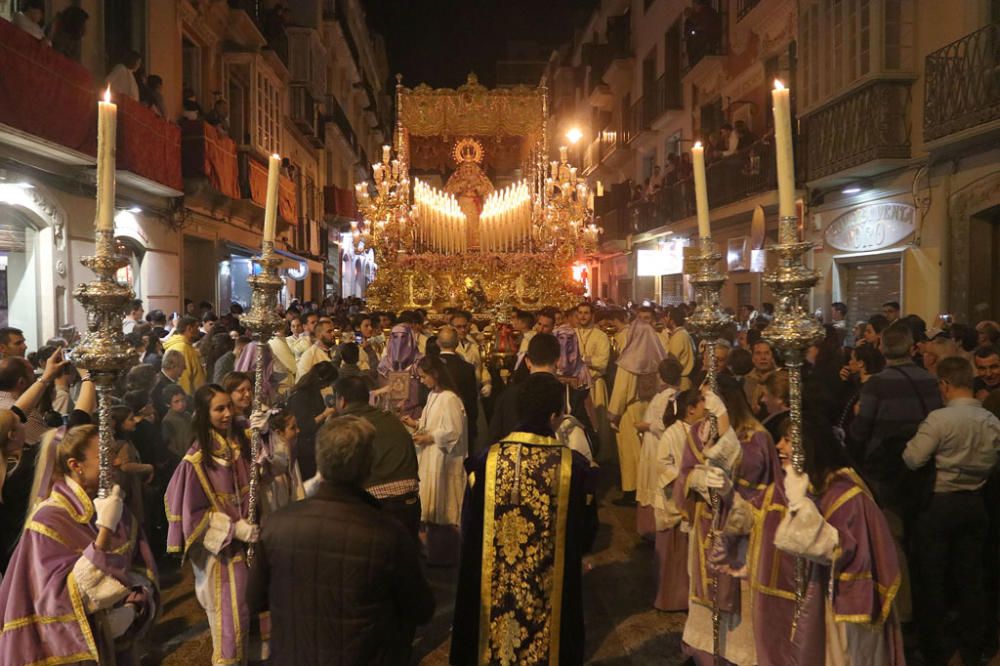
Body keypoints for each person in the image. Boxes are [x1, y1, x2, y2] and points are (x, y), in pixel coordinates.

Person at [247, 414, 434, 665]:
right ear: (369, 466)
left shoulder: (277, 525)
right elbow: (420, 608)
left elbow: (254, 599)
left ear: (319, 460)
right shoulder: (389, 533)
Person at [451, 372, 597, 665]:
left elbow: (469, 528)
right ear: (554, 414)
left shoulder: (485, 461)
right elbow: (585, 532)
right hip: (547, 585)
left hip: (493, 585)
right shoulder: (573, 467)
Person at [0, 425, 158, 665]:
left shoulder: (115, 508)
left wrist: (133, 608)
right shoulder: (49, 520)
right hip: (76, 653)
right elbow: (58, 601)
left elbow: (140, 570)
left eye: (113, 453)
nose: (116, 462)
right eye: (104, 457)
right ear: (76, 465)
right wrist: (105, 530)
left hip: (120, 646)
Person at [769, 413, 906, 665]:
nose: (779, 446)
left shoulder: (846, 493)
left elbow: (837, 548)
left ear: (810, 446)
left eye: (788, 440)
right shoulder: (818, 485)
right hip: (823, 595)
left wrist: (800, 505)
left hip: (848, 606)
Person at [903, 356, 1000, 666]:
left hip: (939, 504)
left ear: (944, 384)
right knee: (971, 578)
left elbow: (913, 459)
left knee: (932, 578)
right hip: (975, 502)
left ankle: (935, 649)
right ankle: (972, 646)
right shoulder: (992, 422)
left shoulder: (939, 420)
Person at [164, 384, 265, 665]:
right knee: (228, 622)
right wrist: (234, 529)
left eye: (228, 407)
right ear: (203, 413)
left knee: (248, 619)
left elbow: (267, 470)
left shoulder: (240, 443)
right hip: (221, 554)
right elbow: (192, 515)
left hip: (249, 546)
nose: (227, 414)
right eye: (219, 409)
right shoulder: (195, 461)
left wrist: (265, 435)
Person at [335, 375, 421, 543]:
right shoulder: (391, 419)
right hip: (410, 501)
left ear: (342, 401)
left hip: (374, 507)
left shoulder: (344, 426)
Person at [401, 355, 467, 566]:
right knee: (431, 510)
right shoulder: (433, 396)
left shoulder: (450, 398)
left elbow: (453, 430)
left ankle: (446, 556)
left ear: (435, 374)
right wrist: (415, 423)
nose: (421, 380)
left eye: (423, 376)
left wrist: (430, 437)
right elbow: (433, 422)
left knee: (444, 508)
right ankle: (434, 553)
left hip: (444, 460)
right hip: (431, 459)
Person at [608, 310, 667, 506]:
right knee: (647, 449)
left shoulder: (628, 362)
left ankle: (631, 489)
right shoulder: (659, 358)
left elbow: (621, 391)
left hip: (630, 411)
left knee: (630, 452)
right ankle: (647, 487)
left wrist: (613, 415)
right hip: (651, 409)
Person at [652, 388, 703, 612]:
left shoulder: (703, 431)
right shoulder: (672, 433)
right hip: (674, 499)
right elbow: (662, 464)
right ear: (691, 410)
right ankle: (670, 599)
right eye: (703, 404)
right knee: (673, 553)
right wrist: (685, 478)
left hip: (694, 498)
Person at [636, 358, 681, 538]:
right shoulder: (667, 395)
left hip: (657, 446)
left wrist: (645, 426)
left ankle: (652, 530)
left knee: (654, 484)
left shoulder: (667, 396)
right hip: (653, 444)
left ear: (661, 377)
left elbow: (663, 424)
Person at [488, 333, 561, 444]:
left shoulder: (507, 396)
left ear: (527, 362)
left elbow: (494, 439)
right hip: (555, 459)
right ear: (558, 361)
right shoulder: (566, 394)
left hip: (511, 458)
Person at [287, 362, 338, 481]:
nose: (327, 386)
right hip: (305, 450)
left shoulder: (313, 391)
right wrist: (325, 414)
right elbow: (304, 426)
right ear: (322, 380)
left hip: (314, 444)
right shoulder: (300, 396)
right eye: (327, 383)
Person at [575, 302, 613, 456]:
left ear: (592, 315)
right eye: (580, 312)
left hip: (596, 385)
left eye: (586, 313)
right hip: (576, 386)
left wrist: (584, 359)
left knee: (599, 422)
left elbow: (603, 362)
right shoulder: (572, 334)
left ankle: (601, 455)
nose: (583, 316)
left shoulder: (601, 336)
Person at [436, 325, 480, 446]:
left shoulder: (431, 366)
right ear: (456, 344)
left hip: (436, 422)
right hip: (461, 421)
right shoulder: (467, 368)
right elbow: (472, 400)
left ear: (438, 343)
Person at [259, 408, 304, 514]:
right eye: (293, 428)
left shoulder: (292, 456)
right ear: (278, 433)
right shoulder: (271, 468)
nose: (298, 431)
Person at [163, 316, 206, 395]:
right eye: (197, 327)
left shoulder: (186, 346)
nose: (199, 330)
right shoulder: (181, 348)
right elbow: (183, 377)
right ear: (190, 328)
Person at [663, 305, 696, 389]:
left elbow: (672, 362)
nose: (665, 320)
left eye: (667, 317)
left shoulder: (678, 336)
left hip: (680, 383)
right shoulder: (683, 333)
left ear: (672, 321)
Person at [743, 340, 777, 416]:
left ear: (772, 357)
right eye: (758, 353)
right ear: (752, 358)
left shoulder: (781, 378)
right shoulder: (744, 381)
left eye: (767, 353)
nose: (763, 357)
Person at [161, 383, 192, 459]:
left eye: (183, 400)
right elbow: (170, 446)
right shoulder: (167, 421)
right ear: (168, 404)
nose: (181, 404)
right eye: (176, 401)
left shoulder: (187, 415)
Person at [152, 348, 185, 418]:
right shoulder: (160, 386)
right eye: (183, 366)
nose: (185, 368)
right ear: (173, 366)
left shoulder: (162, 380)